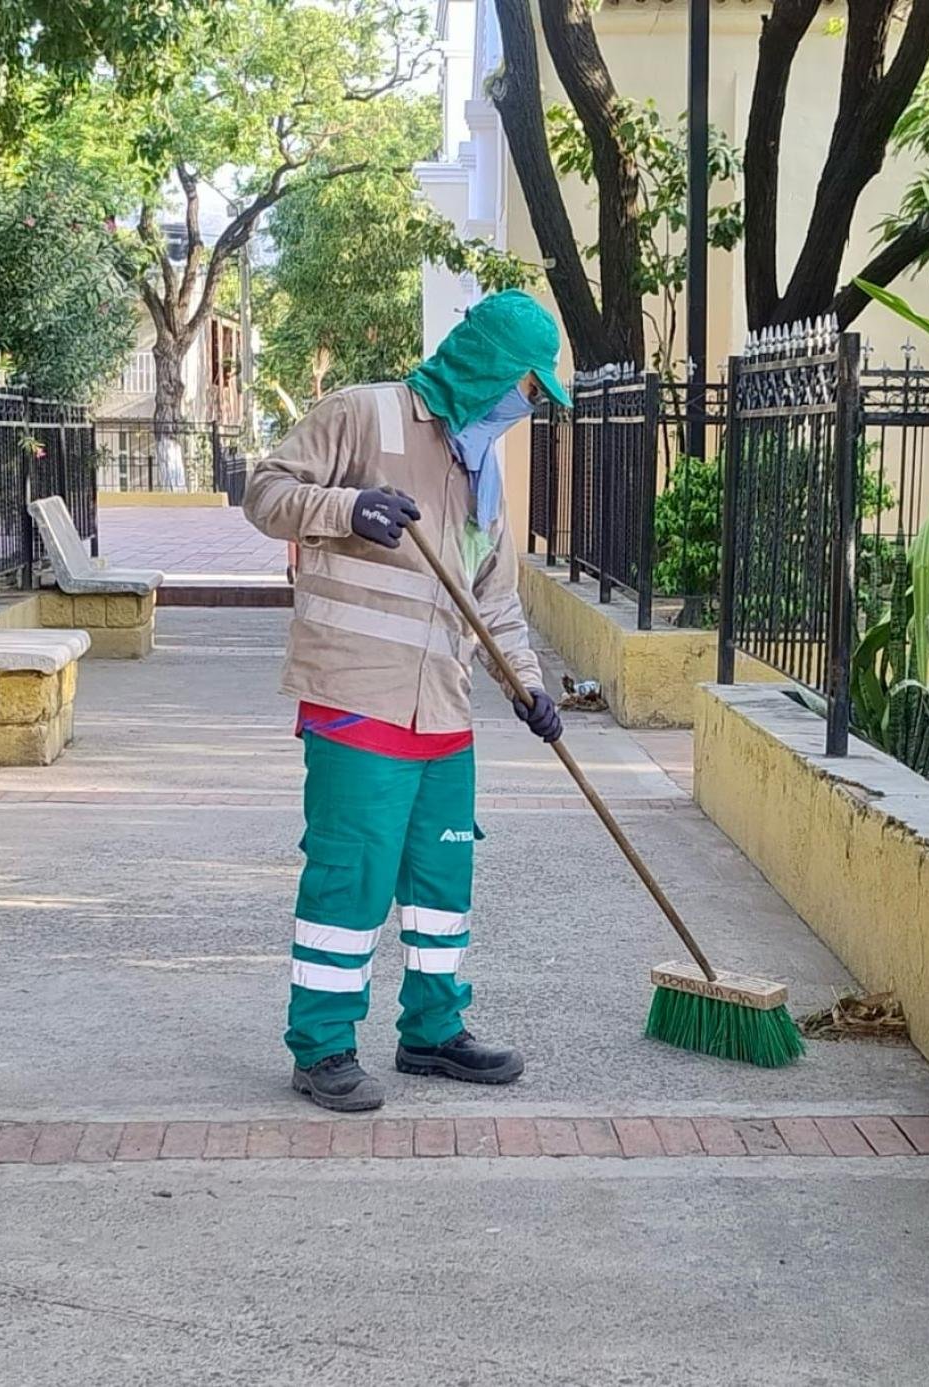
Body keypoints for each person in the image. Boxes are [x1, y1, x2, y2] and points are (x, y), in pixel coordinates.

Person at [244, 290, 571, 1112]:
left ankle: (432, 1029)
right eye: (529, 388)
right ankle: (322, 1046)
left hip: (444, 709)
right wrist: (347, 507)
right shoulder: (364, 414)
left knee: (440, 879)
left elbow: (493, 600)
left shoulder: (484, 472)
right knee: (350, 878)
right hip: (357, 697)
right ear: (492, 367)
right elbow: (265, 491)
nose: (528, 407)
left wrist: (527, 684)